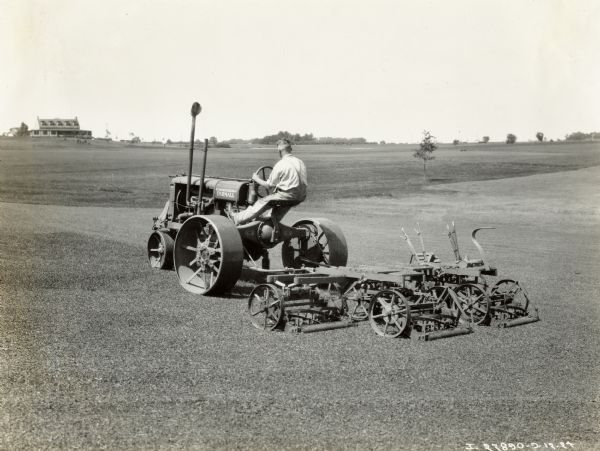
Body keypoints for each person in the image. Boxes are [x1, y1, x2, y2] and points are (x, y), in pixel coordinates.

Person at [230, 139, 307, 225]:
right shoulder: (300, 162)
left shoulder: (281, 164)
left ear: (280, 151)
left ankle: (237, 218)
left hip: (287, 196)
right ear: (290, 149)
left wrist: (256, 178)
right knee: (276, 210)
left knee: (262, 202)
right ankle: (269, 224)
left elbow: (268, 185)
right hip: (301, 196)